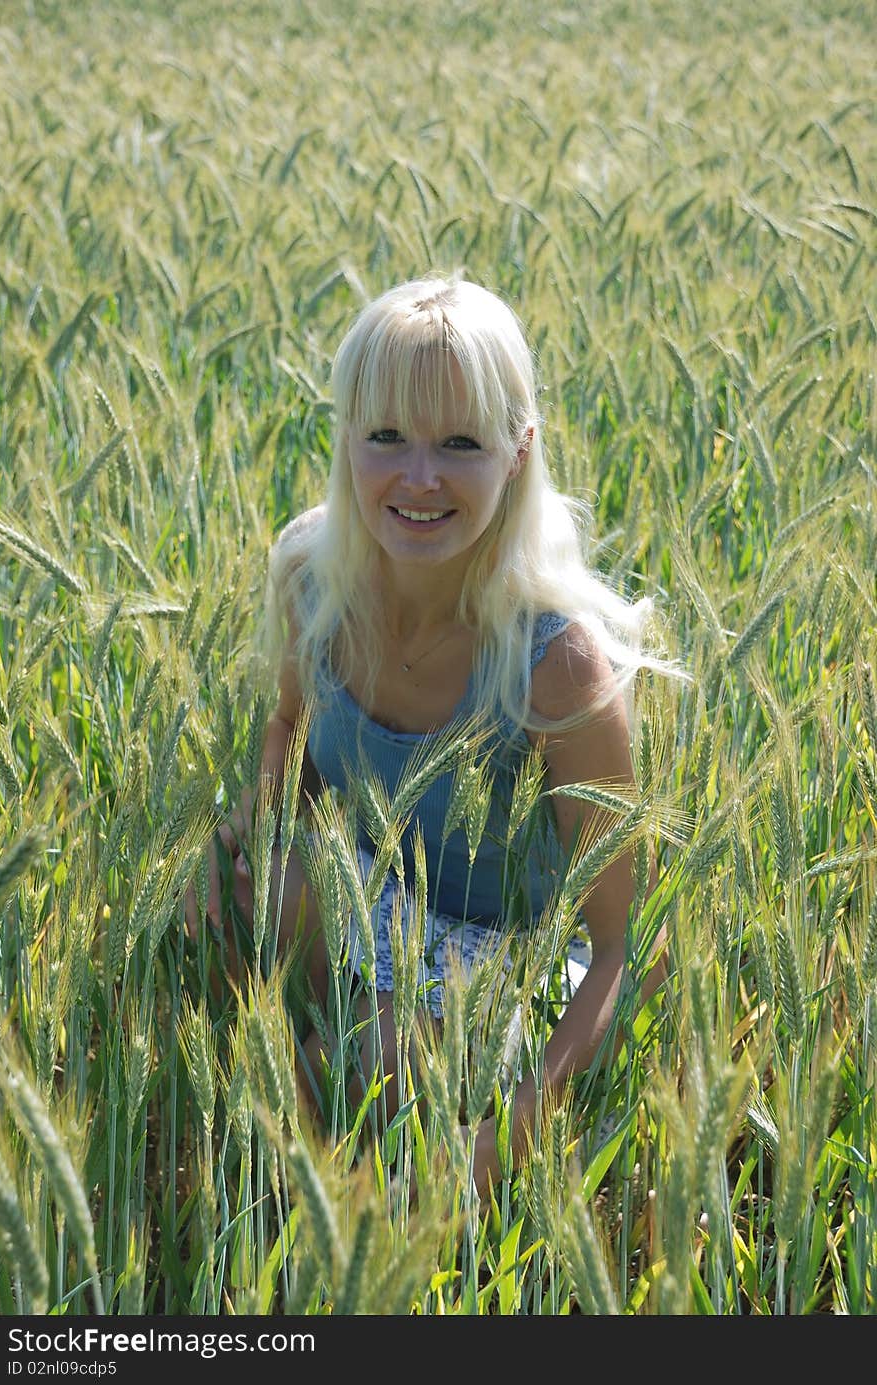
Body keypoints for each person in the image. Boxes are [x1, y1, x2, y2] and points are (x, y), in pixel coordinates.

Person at [185, 274, 684, 1196]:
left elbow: (628, 947)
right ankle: (303, 1131)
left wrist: (504, 1142)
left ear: (518, 451)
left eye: (459, 442)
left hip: (509, 964)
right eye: (386, 438)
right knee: (209, 896)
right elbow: (291, 729)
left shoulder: (553, 664)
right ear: (346, 441)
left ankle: (349, 1142)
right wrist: (239, 850)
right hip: (370, 903)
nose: (418, 478)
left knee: (382, 1053)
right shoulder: (310, 578)